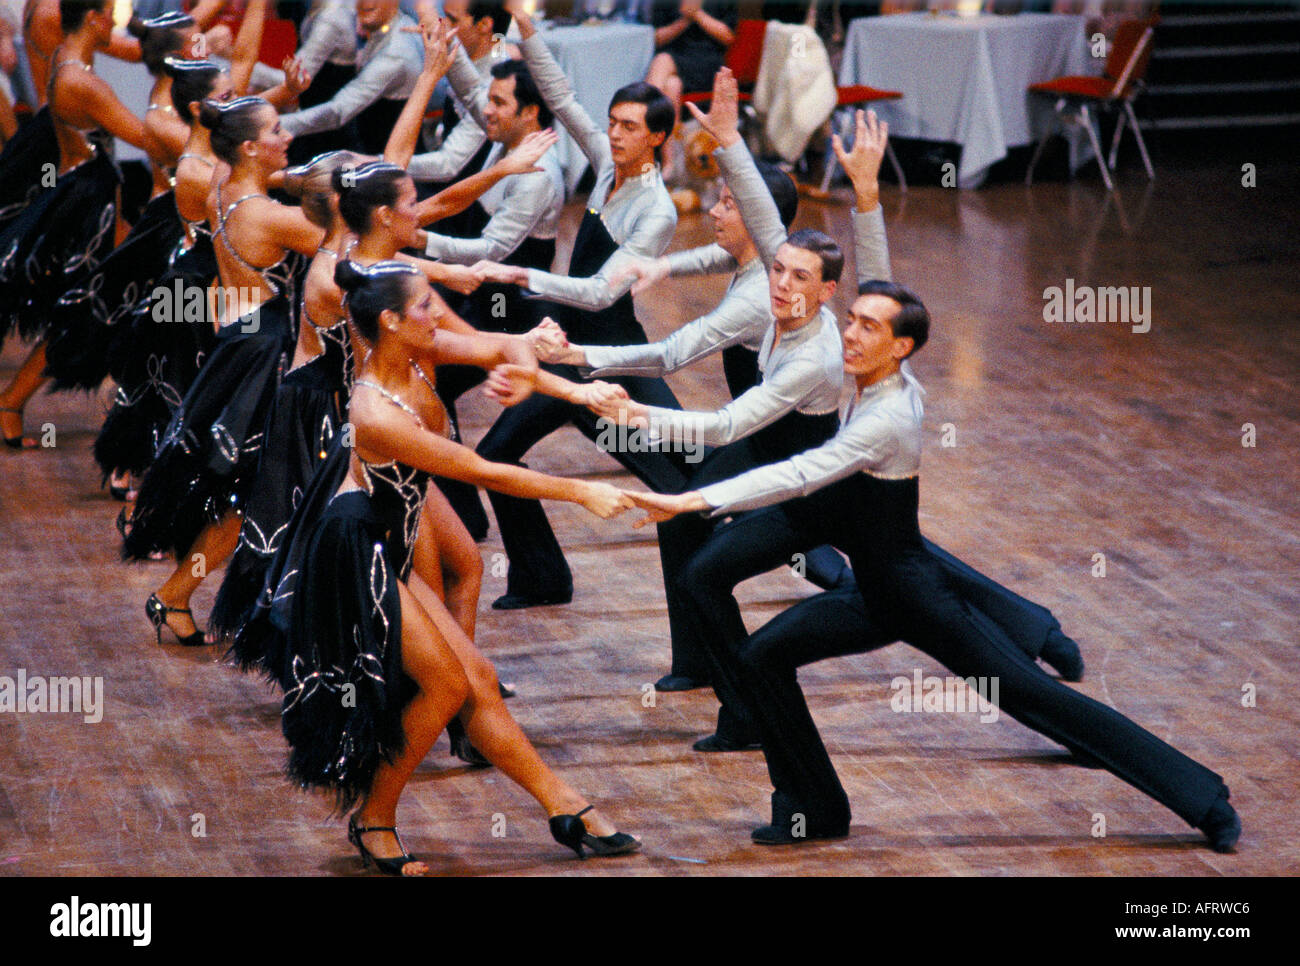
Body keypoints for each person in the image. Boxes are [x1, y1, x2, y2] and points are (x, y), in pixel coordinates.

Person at [624, 238, 1243, 857]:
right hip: (870, 590)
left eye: (869, 328)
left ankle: (1203, 799)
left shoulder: (886, 419)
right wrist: (866, 197)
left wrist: (689, 501)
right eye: (851, 321)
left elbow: (799, 475)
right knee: (762, 658)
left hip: (914, 596)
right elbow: (889, 293)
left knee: (1028, 694)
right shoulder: (883, 372)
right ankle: (813, 808)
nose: (852, 335)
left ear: (900, 350)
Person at [275, 258, 641, 873]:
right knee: (447, 684)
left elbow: (496, 347)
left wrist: (578, 389)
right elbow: (481, 471)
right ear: (390, 321)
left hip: (391, 535)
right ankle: (374, 820)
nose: (435, 312)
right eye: (424, 305)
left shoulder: (418, 348)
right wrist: (582, 491)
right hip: (357, 552)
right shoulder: (374, 412)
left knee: (477, 679)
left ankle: (563, 804)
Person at [467, 0, 690, 610]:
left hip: (614, 362)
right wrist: (525, 25)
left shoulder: (657, 210)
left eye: (630, 127)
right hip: (566, 355)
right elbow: (562, 100)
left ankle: (825, 564)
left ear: (659, 138)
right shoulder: (603, 166)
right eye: (613, 122)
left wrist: (522, 275)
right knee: (496, 455)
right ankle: (542, 577)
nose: (615, 134)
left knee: (689, 480)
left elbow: (599, 292)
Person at [122, 95, 321, 648]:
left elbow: (285, 177)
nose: (288, 134)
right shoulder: (268, 216)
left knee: (255, 486)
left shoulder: (222, 189)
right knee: (263, 488)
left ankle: (181, 593)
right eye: (277, 129)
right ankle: (185, 593)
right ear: (252, 147)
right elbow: (354, 243)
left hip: (241, 340)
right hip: (268, 353)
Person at [0, 0, 162, 449]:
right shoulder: (81, 82)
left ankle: (15, 401)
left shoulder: (66, 60)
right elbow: (148, 138)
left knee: (102, 306)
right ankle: (14, 402)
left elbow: (137, 52)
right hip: (90, 208)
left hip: (84, 195)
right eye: (110, 13)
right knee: (90, 310)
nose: (114, 21)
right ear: (91, 17)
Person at [278, 0, 425, 155]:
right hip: (362, 148)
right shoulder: (380, 23)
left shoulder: (396, 53)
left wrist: (276, 124)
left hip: (388, 163)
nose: (367, 3)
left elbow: (338, 112)